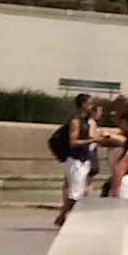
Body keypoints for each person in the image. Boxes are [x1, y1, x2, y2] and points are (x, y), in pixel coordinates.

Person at [54, 93, 97, 229]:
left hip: (83, 160)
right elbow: (73, 142)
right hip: (75, 161)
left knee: (79, 192)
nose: (92, 106)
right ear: (83, 104)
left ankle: (63, 217)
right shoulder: (75, 121)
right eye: (90, 103)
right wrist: (92, 140)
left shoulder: (85, 120)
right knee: (76, 194)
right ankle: (64, 217)